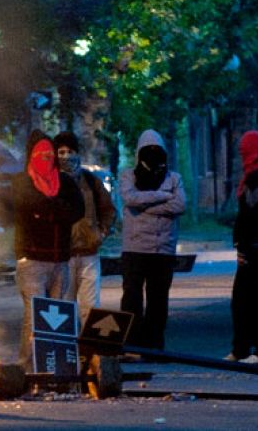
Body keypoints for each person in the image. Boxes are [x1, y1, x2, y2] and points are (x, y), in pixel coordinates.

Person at [11, 129, 85, 371]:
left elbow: (76, 211)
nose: (46, 157)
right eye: (40, 153)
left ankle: (58, 368)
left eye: (49, 153)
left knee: (59, 317)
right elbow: (26, 205)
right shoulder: (22, 182)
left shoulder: (64, 182)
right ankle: (28, 369)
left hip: (60, 260)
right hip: (31, 261)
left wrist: (46, 211)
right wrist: (55, 212)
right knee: (35, 318)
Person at [119, 129, 186, 350]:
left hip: (163, 250)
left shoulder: (174, 178)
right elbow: (130, 199)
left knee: (158, 301)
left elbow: (179, 206)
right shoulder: (129, 175)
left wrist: (145, 205)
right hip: (135, 249)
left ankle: (153, 345)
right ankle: (131, 343)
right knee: (132, 299)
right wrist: (162, 197)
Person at [226, 131, 258, 365]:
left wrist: (243, 246)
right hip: (257, 243)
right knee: (247, 296)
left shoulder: (257, 175)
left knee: (250, 297)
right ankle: (244, 347)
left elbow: (252, 215)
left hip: (253, 245)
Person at [55, 131, 116, 323]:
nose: (66, 156)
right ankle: (69, 350)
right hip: (63, 256)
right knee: (65, 308)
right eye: (61, 151)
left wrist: (101, 233)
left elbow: (108, 210)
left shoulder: (90, 180)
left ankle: (89, 351)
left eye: (70, 151)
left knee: (90, 308)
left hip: (89, 253)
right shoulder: (51, 182)